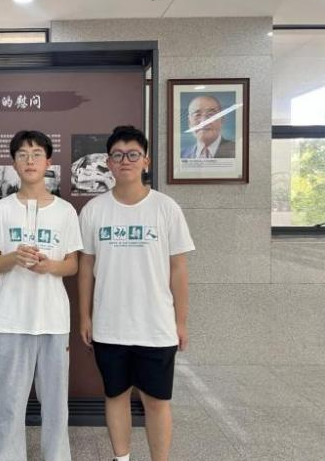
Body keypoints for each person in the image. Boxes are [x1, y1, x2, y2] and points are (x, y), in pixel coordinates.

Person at [78, 125, 195, 461]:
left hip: (156, 325)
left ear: (146, 161)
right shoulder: (94, 210)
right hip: (109, 324)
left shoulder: (166, 208)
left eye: (132, 154)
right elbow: (86, 267)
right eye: (117, 155)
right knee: (115, 395)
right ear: (108, 163)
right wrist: (85, 316)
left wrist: (181, 321)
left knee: (157, 400)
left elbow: (179, 269)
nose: (125, 160)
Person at [0, 130, 83, 461]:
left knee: (56, 403)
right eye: (22, 154)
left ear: (48, 161)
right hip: (10, 320)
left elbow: (72, 265)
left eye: (37, 154)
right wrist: (14, 258)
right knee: (9, 403)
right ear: (14, 163)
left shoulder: (65, 211)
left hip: (53, 320)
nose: (30, 160)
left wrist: (50, 266)